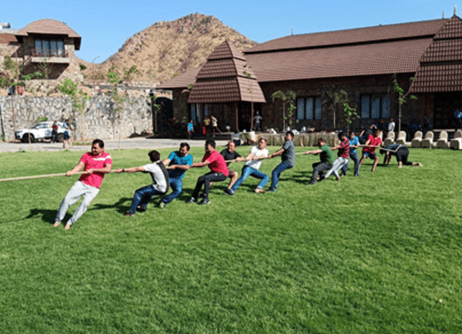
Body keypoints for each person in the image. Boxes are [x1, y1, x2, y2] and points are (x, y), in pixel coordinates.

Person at [53, 139, 112, 230]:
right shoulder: (86, 155)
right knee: (66, 200)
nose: (93, 150)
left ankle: (70, 222)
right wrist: (72, 172)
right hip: (81, 183)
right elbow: (79, 166)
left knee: (84, 204)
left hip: (94, 187)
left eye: (95, 148)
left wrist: (93, 170)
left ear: (102, 148)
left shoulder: (106, 156)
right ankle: (58, 220)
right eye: (92, 147)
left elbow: (108, 169)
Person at [117, 150, 169, 216]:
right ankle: (142, 206)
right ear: (159, 157)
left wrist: (122, 170)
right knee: (149, 193)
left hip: (160, 188)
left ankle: (131, 212)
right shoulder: (162, 164)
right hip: (166, 188)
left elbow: (137, 169)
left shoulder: (152, 166)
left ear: (150, 158)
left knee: (138, 192)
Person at [186, 140, 229, 205]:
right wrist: (191, 165)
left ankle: (205, 199)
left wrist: (190, 165)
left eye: (207, 145)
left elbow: (205, 163)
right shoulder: (207, 153)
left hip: (223, 174)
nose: (205, 146)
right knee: (200, 178)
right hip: (215, 172)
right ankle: (194, 197)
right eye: (205, 144)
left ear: (212, 146)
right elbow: (202, 163)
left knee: (207, 178)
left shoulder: (214, 154)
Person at [159, 143, 193, 209]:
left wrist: (175, 166)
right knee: (160, 189)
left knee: (178, 191)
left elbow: (187, 167)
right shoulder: (174, 153)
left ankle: (163, 201)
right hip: (168, 176)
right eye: (180, 149)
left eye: (183, 150)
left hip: (177, 178)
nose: (181, 151)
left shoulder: (189, 157)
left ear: (187, 151)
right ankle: (144, 200)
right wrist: (161, 165)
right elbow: (167, 160)